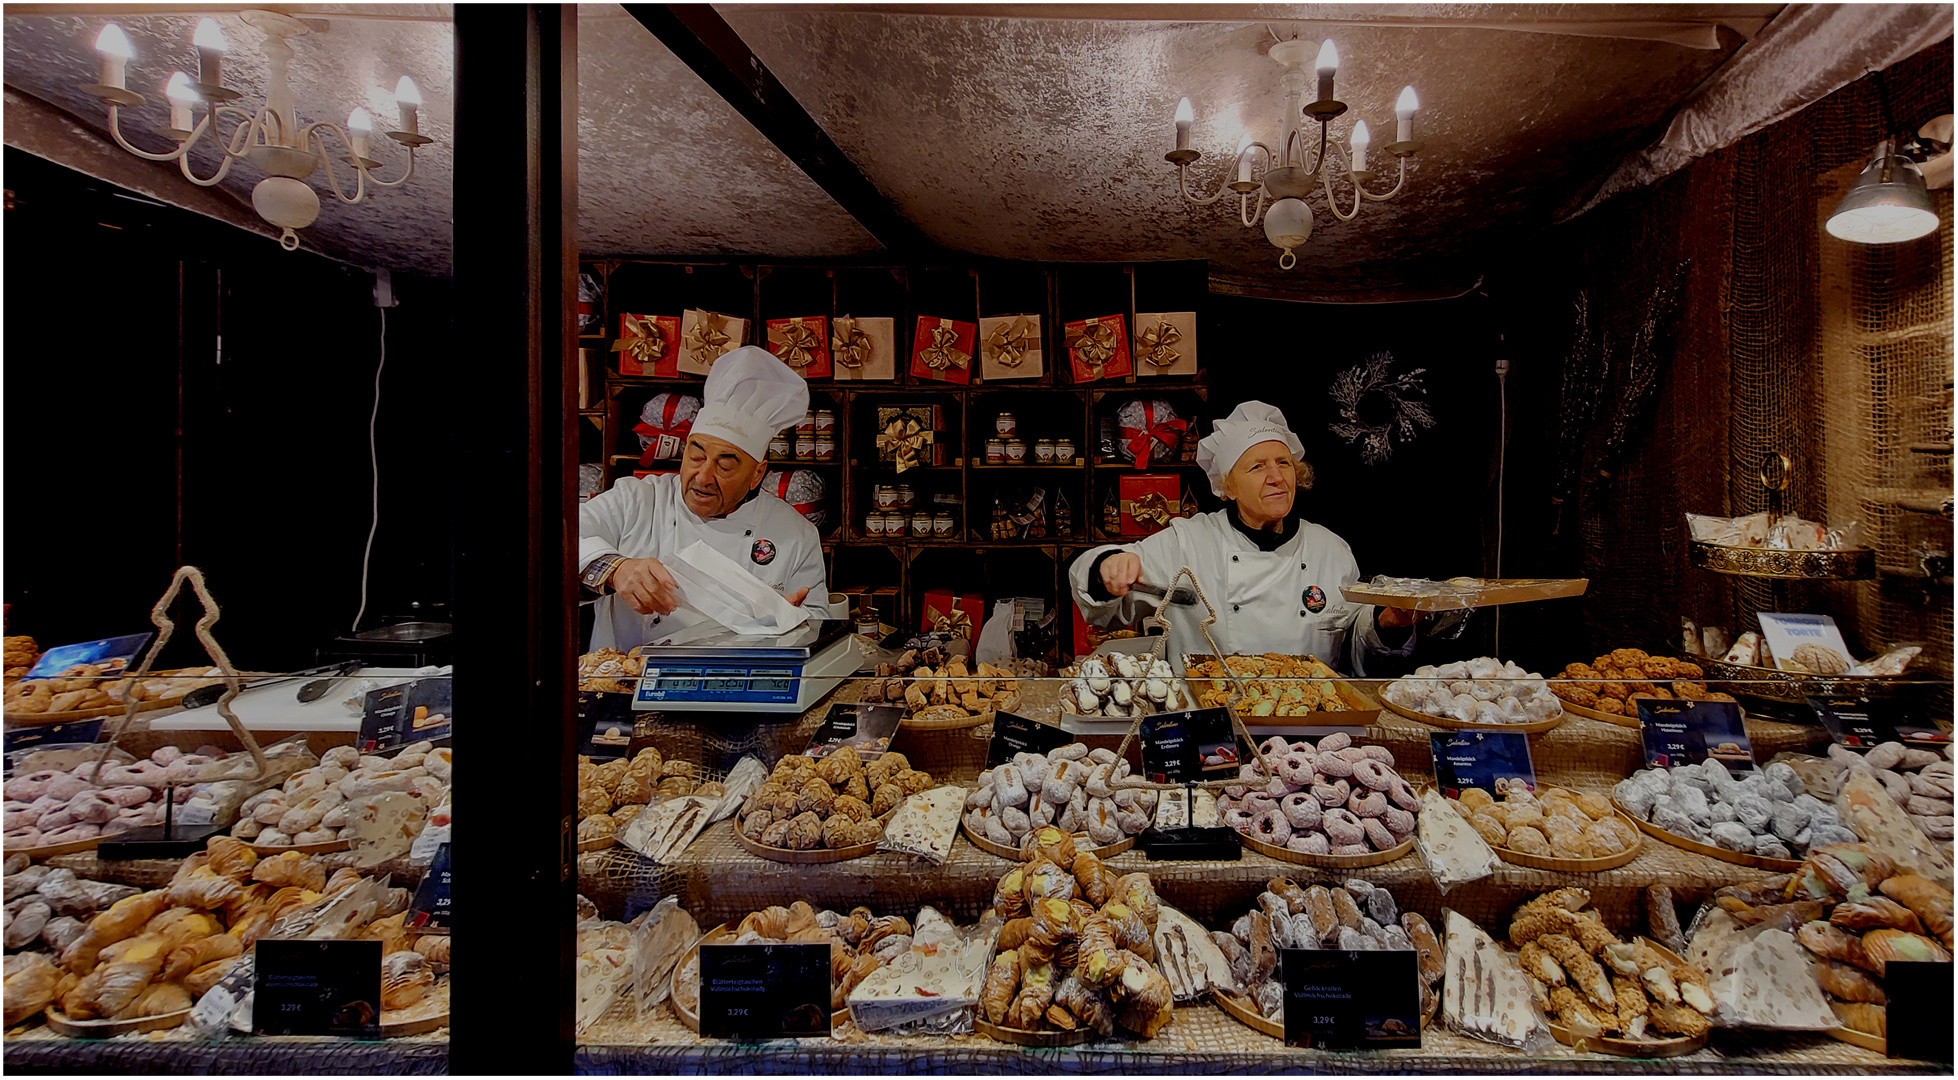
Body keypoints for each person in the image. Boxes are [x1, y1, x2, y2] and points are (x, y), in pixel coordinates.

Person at [1067, 401, 1416, 675]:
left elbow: (1359, 652)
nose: (1277, 477)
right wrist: (1107, 568)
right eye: (1258, 466)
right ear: (1228, 488)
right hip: (1211, 724)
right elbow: (1099, 602)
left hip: (1311, 726)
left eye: (1283, 463)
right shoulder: (1188, 541)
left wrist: (1387, 626)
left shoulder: (1331, 549)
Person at [579, 347, 832, 650]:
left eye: (725, 465)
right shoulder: (637, 499)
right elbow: (557, 539)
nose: (703, 477)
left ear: (757, 474)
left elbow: (816, 626)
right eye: (696, 455)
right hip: (627, 685)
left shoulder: (795, 534)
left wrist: (789, 625)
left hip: (737, 688)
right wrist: (615, 569)